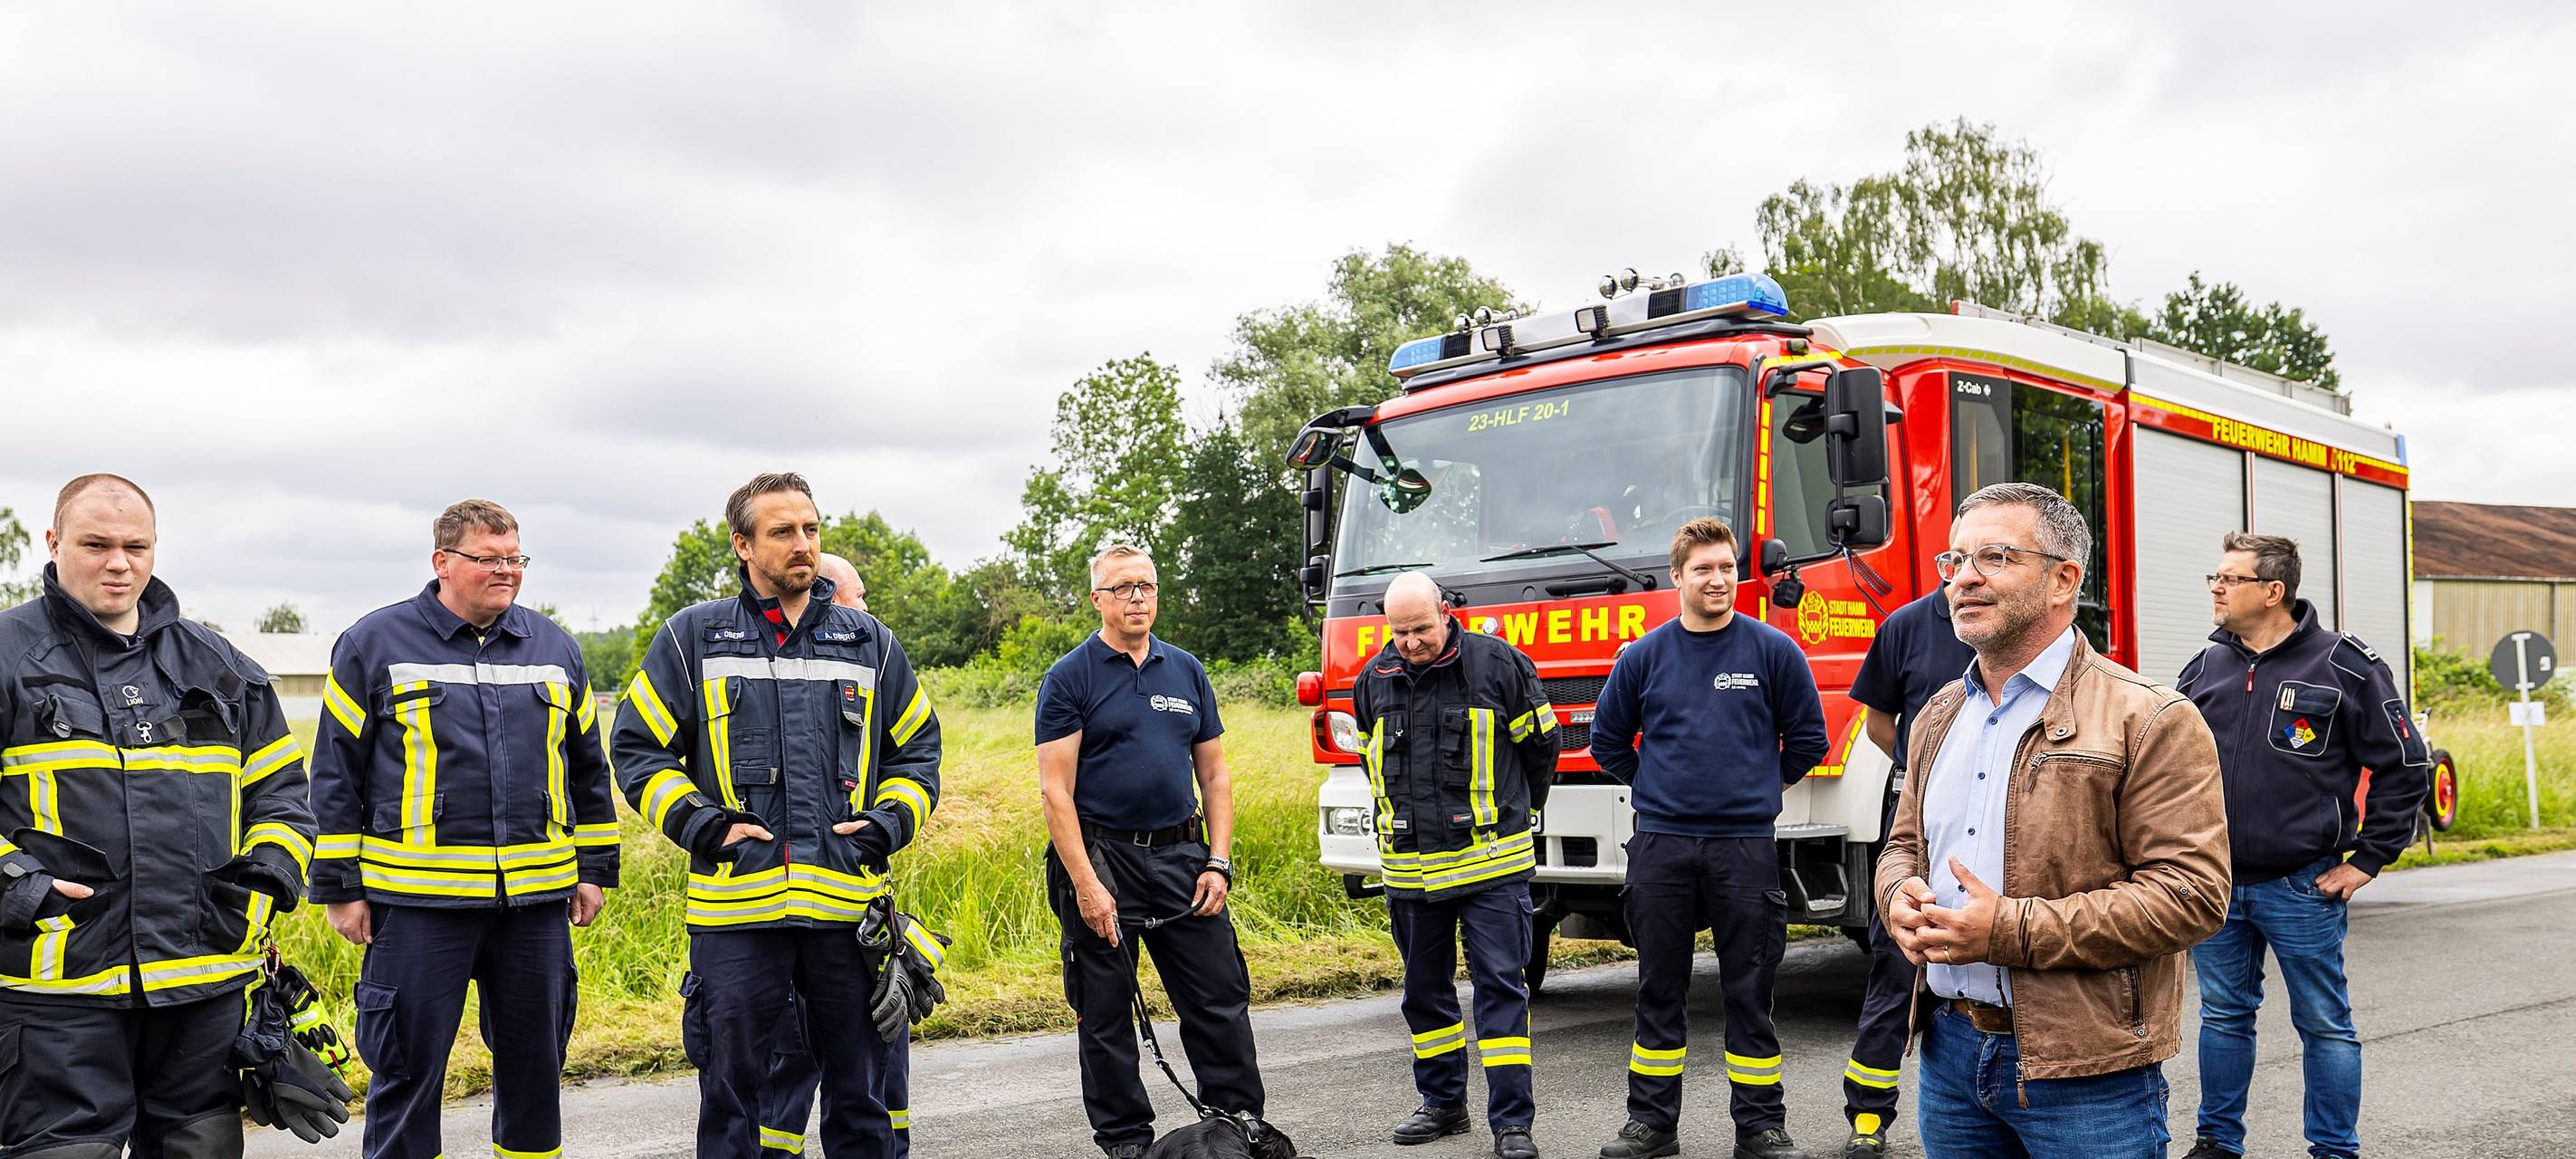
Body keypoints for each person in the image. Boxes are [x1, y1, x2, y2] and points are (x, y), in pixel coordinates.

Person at [1878, 483, 2229, 1159]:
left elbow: (2191, 897)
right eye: (1953, 562)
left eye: (1996, 557)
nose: (1964, 579)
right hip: (1948, 1057)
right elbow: (1902, 846)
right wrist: (1897, 896)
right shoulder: (1937, 716)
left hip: (2087, 1073)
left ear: (2063, 578)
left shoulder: (2149, 717)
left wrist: (2007, 929)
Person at [616, 474, 942, 1159]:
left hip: (848, 916)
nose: (804, 546)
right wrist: (706, 827)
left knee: (862, 1101)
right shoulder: (691, 637)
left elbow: (917, 752)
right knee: (731, 1101)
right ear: (742, 545)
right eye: (783, 532)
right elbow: (638, 748)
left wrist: (887, 824)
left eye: (812, 530)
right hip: (736, 916)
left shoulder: (870, 642)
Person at [0, 474, 318, 1159]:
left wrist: (264, 882)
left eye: (136, 546)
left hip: (201, 983)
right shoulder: (8, 657)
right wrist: (21, 884)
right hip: (56, 986)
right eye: (96, 544)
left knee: (198, 1149)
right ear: (54, 544)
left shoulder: (221, 665)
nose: (120, 563)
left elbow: (283, 792)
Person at [307, 499, 622, 1159]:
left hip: (535, 907)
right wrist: (340, 888)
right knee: (406, 1073)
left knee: (537, 1070)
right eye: (489, 559)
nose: (506, 571)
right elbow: (336, 774)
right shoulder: (374, 643)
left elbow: (587, 770)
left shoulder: (554, 645)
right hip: (417, 906)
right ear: (442, 563)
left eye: (515, 559)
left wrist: (594, 872)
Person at [2173, 532, 2429, 1159]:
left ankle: (2333, 1150)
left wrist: (2367, 859)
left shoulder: (2344, 664)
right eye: (2215, 575)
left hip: (2302, 883)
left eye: (2228, 578)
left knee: (2324, 1024)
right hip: (2217, 885)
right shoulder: (2204, 668)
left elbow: (2404, 764)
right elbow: (2168, 769)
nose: (2215, 586)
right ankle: (2216, 1144)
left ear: (2271, 591)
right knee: (2223, 1017)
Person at [1590, 517, 1829, 1159]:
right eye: (1703, 569)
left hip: (1743, 847)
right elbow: (1606, 742)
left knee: (1748, 991)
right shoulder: (1643, 656)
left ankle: (1759, 1127)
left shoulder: (1772, 652)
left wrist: (1755, 789)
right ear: (1677, 577)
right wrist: (1659, 788)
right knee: (1657, 987)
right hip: (1662, 844)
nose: (1717, 579)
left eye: (1726, 567)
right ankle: (1651, 1125)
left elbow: (1808, 739)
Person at [1038, 543, 1265, 1159]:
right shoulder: (1070, 676)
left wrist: (1217, 861)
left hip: (1183, 860)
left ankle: (1236, 1127)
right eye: (1122, 587)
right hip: (1101, 860)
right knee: (1106, 1015)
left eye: (1146, 585)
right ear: (1097, 600)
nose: (1137, 596)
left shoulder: (1185, 670)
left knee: (1217, 1001)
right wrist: (1086, 884)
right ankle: (1125, 1144)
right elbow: (1054, 790)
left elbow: (1214, 776)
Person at [1350, 572, 1558, 1159]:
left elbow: (1541, 747)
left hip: (1491, 867)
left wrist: (1519, 810)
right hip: (1411, 873)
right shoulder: (1373, 681)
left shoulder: (1497, 666)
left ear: (1446, 613)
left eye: (1420, 629)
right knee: (1424, 994)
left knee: (1500, 992)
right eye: (1399, 633)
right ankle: (1442, 1105)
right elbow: (1370, 762)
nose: (1411, 643)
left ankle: (1512, 1124)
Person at [760, 552, 913, 1157]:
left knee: (876, 1070)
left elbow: (912, 756)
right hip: (777, 917)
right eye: (858, 596)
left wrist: (887, 825)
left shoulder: (874, 661)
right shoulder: (771, 671)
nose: (864, 610)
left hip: (860, 909)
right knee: (788, 1067)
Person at [1837, 587, 1975, 1157]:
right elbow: (1879, 724)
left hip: (2010, 822)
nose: (1967, 575)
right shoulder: (1908, 625)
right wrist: (1927, 775)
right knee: (1897, 971)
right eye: (1958, 558)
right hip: (1924, 824)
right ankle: (1868, 1116)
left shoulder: (2020, 623)